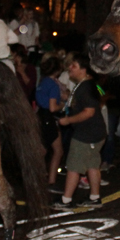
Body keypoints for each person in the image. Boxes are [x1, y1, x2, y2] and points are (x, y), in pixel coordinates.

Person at [52, 53, 106, 210]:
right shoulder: (87, 85)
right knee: (92, 165)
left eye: (74, 66)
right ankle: (95, 198)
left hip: (86, 134)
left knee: (74, 166)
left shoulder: (86, 88)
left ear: (84, 69)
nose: (70, 68)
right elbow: (99, 97)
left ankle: (66, 200)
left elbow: (89, 111)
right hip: (95, 132)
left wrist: (67, 120)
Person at [35, 55, 68, 193]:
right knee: (56, 151)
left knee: (43, 150)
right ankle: (50, 181)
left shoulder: (42, 82)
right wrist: (63, 105)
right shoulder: (53, 85)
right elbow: (53, 107)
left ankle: (39, 179)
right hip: (49, 117)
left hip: (40, 116)